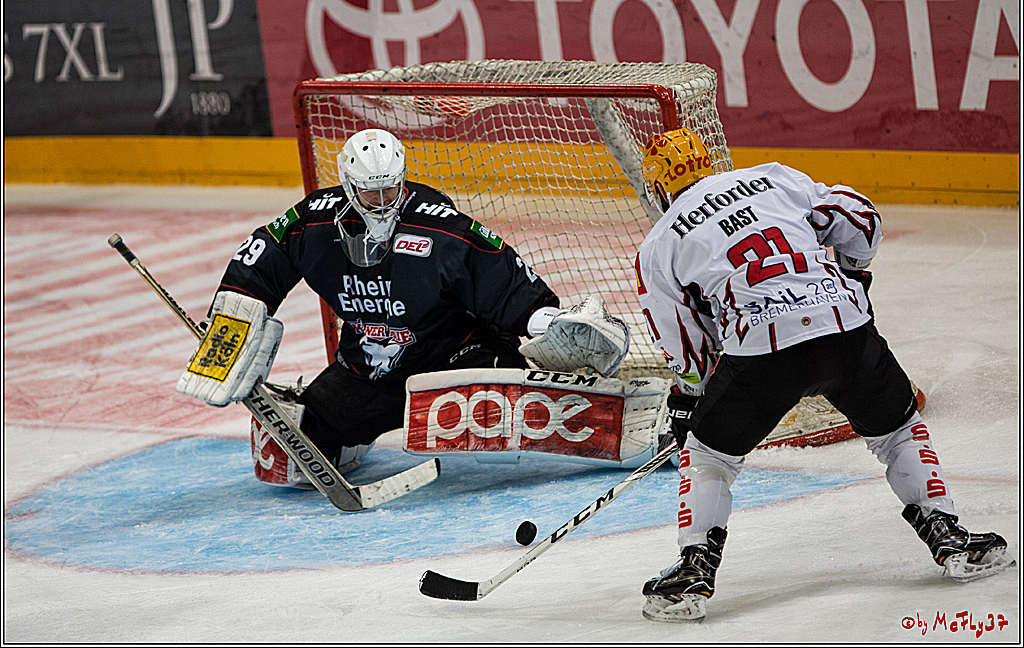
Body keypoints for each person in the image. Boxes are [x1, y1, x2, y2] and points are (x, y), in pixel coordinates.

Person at [633, 128, 1015, 623]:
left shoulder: (660, 241)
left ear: (658, 187)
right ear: (710, 162)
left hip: (762, 349)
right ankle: (948, 534)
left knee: (710, 454)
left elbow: (684, 341)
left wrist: (695, 399)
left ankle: (694, 570)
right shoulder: (773, 178)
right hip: (844, 326)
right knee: (897, 429)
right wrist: (853, 273)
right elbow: (860, 216)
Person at [175, 128, 629, 486]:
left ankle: (591, 410)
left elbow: (496, 275)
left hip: (450, 359)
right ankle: (350, 440)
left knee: (500, 391)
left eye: (390, 190)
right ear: (349, 186)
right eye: (370, 194)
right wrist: (233, 320)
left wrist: (546, 321)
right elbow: (264, 253)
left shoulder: (437, 224)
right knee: (288, 456)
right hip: (367, 372)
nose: (382, 203)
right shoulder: (315, 221)